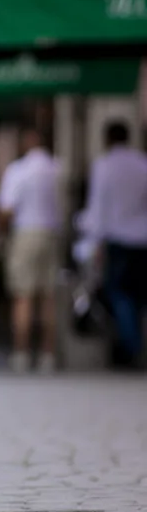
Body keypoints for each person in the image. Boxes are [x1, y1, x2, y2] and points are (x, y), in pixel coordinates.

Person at [0, 127, 62, 373]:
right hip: (51, 234)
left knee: (23, 296)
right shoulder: (58, 169)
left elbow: (7, 209)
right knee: (47, 298)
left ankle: (22, 353)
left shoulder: (19, 170)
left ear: (27, 143)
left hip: (25, 233)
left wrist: (0, 229)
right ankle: (48, 355)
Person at [85, 120, 147, 369]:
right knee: (139, 295)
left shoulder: (104, 166)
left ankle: (130, 346)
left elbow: (98, 207)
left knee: (119, 294)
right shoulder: (143, 164)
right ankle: (133, 342)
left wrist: (93, 242)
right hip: (142, 239)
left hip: (118, 239)